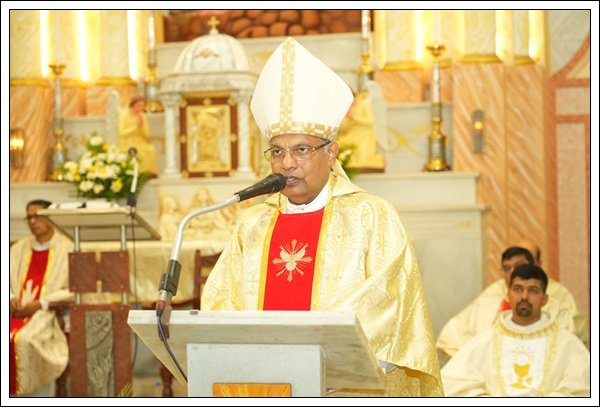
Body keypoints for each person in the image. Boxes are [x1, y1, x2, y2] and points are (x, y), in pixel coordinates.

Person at [201, 37, 443, 396]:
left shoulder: (372, 217)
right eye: (277, 152)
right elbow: (220, 305)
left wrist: (317, 365)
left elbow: (390, 310)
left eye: (301, 150)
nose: (286, 163)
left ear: (331, 153)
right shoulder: (252, 225)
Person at [441, 264, 590, 396]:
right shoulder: (485, 341)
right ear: (508, 295)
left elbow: (583, 386)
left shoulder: (567, 344)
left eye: (533, 290)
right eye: (518, 289)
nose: (524, 296)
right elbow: (452, 382)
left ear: (544, 299)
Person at [436, 246, 587, 359]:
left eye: (533, 291)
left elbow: (569, 347)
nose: (524, 297)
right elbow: (454, 335)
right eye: (507, 268)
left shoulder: (557, 301)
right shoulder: (490, 298)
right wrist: (476, 357)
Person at [9, 200, 73, 396]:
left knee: (26, 339)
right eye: (29, 217)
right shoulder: (18, 248)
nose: (32, 221)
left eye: (37, 216)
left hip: (46, 313)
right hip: (14, 312)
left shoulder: (68, 247)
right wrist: (11, 297)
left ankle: (35, 395)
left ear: (51, 218)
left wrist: (40, 304)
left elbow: (75, 289)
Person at [118, 95, 158, 174]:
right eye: (138, 106)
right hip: (127, 141)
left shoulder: (142, 115)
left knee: (151, 150)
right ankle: (137, 174)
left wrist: (142, 126)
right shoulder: (124, 115)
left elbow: (146, 135)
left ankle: (147, 173)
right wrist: (135, 127)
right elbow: (122, 133)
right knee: (137, 153)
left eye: (142, 106)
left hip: (140, 141)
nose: (140, 108)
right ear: (133, 105)